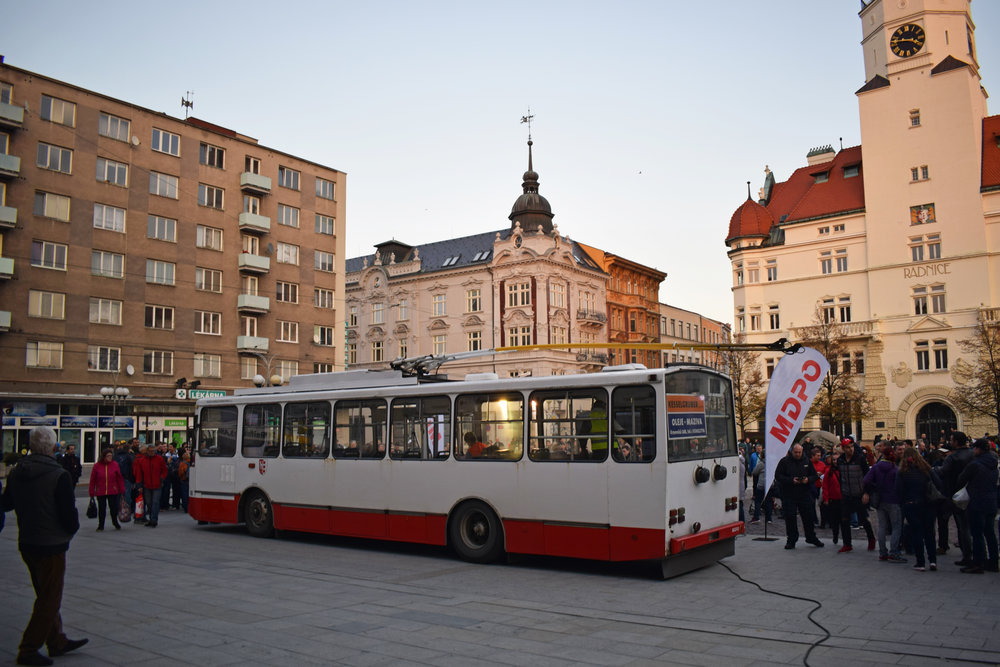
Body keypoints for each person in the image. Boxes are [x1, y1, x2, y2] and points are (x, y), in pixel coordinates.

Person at [1, 426, 88, 666]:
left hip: (27, 541)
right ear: (53, 447)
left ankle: (57, 640)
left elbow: (6, 504)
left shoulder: (18, 471)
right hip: (51, 545)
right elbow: (68, 516)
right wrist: (70, 531)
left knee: (44, 594)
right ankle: (28, 648)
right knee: (50, 599)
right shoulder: (58, 474)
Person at [894, 445, 941, 572]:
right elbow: (938, 483)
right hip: (928, 504)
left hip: (911, 504)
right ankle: (933, 561)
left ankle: (920, 562)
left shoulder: (903, 471)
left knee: (917, 533)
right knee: (929, 533)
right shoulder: (927, 469)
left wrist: (903, 502)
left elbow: (898, 490)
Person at [956, 438, 999, 573]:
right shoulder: (994, 463)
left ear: (979, 449)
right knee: (990, 533)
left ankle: (978, 563)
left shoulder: (975, 464)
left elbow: (961, 479)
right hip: (992, 502)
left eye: (974, 448)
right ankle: (993, 562)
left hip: (977, 502)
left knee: (977, 534)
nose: (973, 450)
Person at [774, 443, 823, 549]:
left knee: (808, 517)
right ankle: (791, 539)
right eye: (795, 452)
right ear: (792, 452)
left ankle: (811, 537)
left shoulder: (807, 461)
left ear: (802, 451)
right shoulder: (784, 461)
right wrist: (791, 480)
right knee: (790, 518)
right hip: (789, 494)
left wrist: (807, 480)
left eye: (799, 452)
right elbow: (778, 476)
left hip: (804, 493)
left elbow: (814, 476)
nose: (797, 454)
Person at [863, 442, 905, 563]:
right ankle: (894, 552)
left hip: (880, 500)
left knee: (882, 526)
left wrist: (874, 489)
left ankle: (882, 552)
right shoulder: (895, 468)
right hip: (894, 500)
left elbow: (866, 480)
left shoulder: (877, 467)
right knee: (896, 527)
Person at [939, 431, 974, 567]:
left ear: (956, 442)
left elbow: (943, 472)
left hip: (954, 493)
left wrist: (935, 470)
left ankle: (967, 555)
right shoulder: (973, 454)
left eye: (952, 440)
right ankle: (972, 552)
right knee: (968, 526)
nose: (950, 441)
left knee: (961, 525)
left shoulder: (953, 458)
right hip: (970, 492)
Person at [836, 437, 875, 553]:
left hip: (859, 493)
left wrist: (866, 492)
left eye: (852, 447)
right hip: (846, 494)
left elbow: (868, 477)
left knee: (864, 519)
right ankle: (847, 544)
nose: (850, 449)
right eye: (847, 447)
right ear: (843, 448)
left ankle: (871, 539)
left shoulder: (860, 459)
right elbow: (840, 477)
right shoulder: (840, 460)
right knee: (844, 519)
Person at [88, 448, 124, 531]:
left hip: (112, 490)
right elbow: (92, 479)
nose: (110, 457)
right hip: (101, 490)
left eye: (111, 456)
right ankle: (101, 525)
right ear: (103, 457)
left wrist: (122, 489)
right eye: (108, 456)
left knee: (113, 508)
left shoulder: (115, 464)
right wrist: (91, 491)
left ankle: (115, 522)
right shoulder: (97, 466)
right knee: (102, 509)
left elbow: (119, 478)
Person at [133, 445, 167, 527]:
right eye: (150, 451)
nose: (152, 452)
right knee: (149, 503)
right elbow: (139, 474)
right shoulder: (142, 460)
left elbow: (164, 470)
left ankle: (153, 520)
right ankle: (152, 518)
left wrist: (161, 478)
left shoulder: (159, 459)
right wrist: (139, 485)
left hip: (157, 484)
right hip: (146, 485)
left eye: (153, 451)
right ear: (147, 451)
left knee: (155, 502)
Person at [822, 448, 843, 544]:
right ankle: (835, 536)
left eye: (836, 460)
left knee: (844, 520)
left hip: (843, 499)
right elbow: (825, 485)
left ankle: (846, 539)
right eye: (833, 460)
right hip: (833, 499)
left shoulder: (844, 469)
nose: (835, 462)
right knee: (834, 521)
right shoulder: (829, 471)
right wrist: (826, 498)